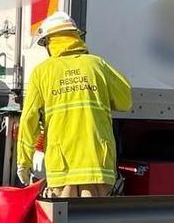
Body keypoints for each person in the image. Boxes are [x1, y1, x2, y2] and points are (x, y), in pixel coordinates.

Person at [17, 11, 132, 198]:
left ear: (50, 42)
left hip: (61, 165)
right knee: (92, 222)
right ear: (76, 37)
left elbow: (28, 120)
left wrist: (24, 161)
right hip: (97, 162)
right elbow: (125, 101)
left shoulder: (42, 72)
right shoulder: (97, 65)